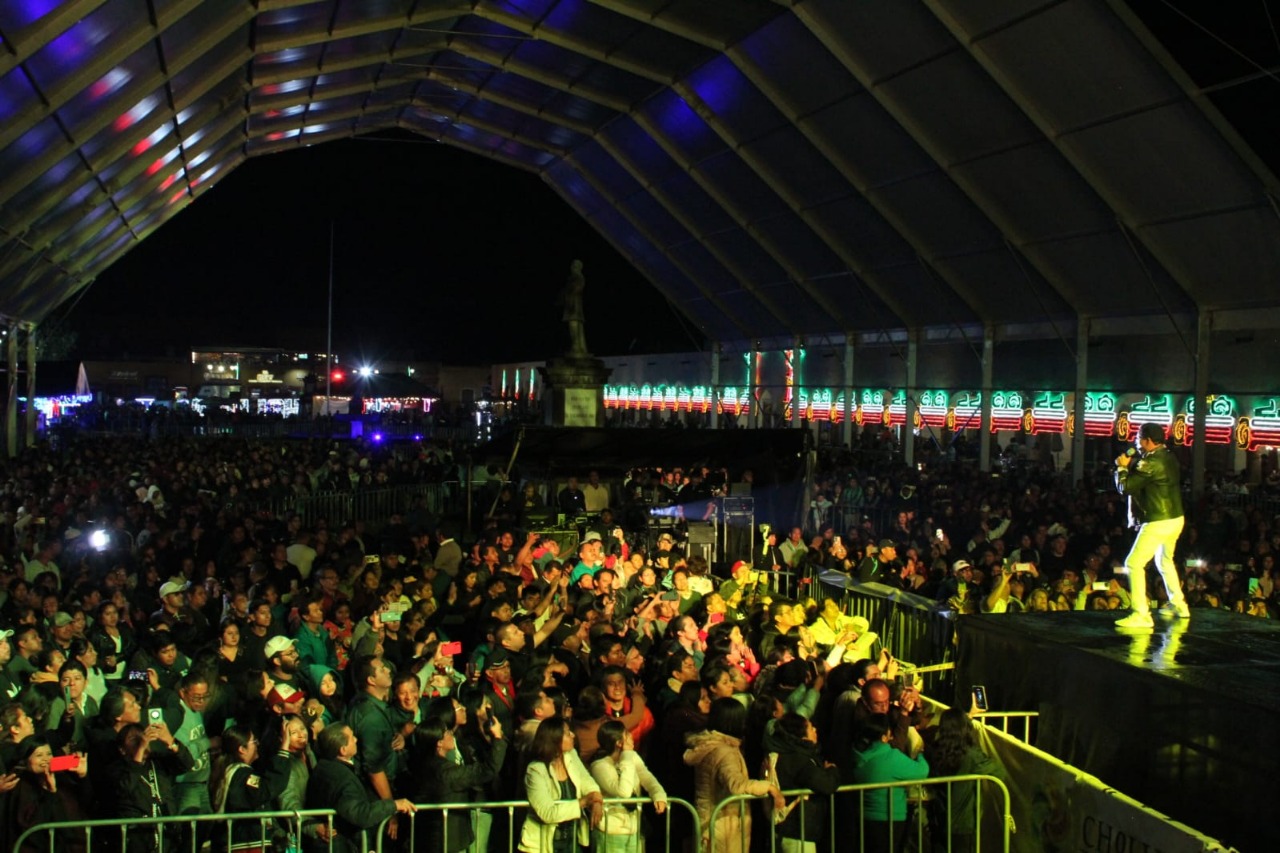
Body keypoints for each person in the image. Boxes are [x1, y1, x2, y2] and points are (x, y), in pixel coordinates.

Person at [683, 698, 784, 853]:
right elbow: (736, 785)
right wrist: (769, 787)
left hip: (710, 822)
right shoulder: (725, 752)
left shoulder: (709, 745)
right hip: (722, 826)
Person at [1114, 422, 1190, 629]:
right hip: (1176, 518)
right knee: (1164, 561)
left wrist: (1121, 468)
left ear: (1147, 440)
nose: (1136, 442)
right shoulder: (1169, 456)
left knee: (1133, 563)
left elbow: (1126, 487)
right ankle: (1179, 605)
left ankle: (1141, 614)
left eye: (1139, 438)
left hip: (1158, 520)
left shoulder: (1149, 464)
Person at [305, 723, 415, 853]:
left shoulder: (322, 767)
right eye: (352, 738)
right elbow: (360, 814)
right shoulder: (343, 779)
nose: (356, 739)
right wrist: (394, 805)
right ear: (343, 750)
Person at [412, 716, 509, 853]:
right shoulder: (445, 772)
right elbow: (487, 770)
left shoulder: (422, 764)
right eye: (447, 732)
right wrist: (498, 737)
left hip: (435, 838)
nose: (451, 734)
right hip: (446, 840)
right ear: (439, 743)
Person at [923, 708, 1009, 853]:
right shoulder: (970, 755)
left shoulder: (934, 749)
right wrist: (973, 740)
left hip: (938, 819)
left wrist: (969, 715)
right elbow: (999, 772)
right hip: (961, 825)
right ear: (965, 729)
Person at [520, 715, 602, 853]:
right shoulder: (535, 770)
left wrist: (597, 799)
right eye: (567, 733)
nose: (573, 735)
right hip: (543, 844)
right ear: (554, 739)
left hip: (572, 841)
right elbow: (547, 813)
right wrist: (582, 802)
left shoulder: (571, 755)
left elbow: (587, 781)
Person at [850, 713, 929, 852]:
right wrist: (920, 754)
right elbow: (922, 771)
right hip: (891, 819)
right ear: (884, 737)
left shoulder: (858, 756)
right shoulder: (891, 758)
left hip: (865, 818)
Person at [588, 720, 666, 852]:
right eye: (627, 734)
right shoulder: (600, 766)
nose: (631, 736)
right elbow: (624, 792)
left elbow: (647, 777)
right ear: (619, 743)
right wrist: (627, 756)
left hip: (633, 828)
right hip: (611, 831)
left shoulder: (631, 757)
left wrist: (659, 794)